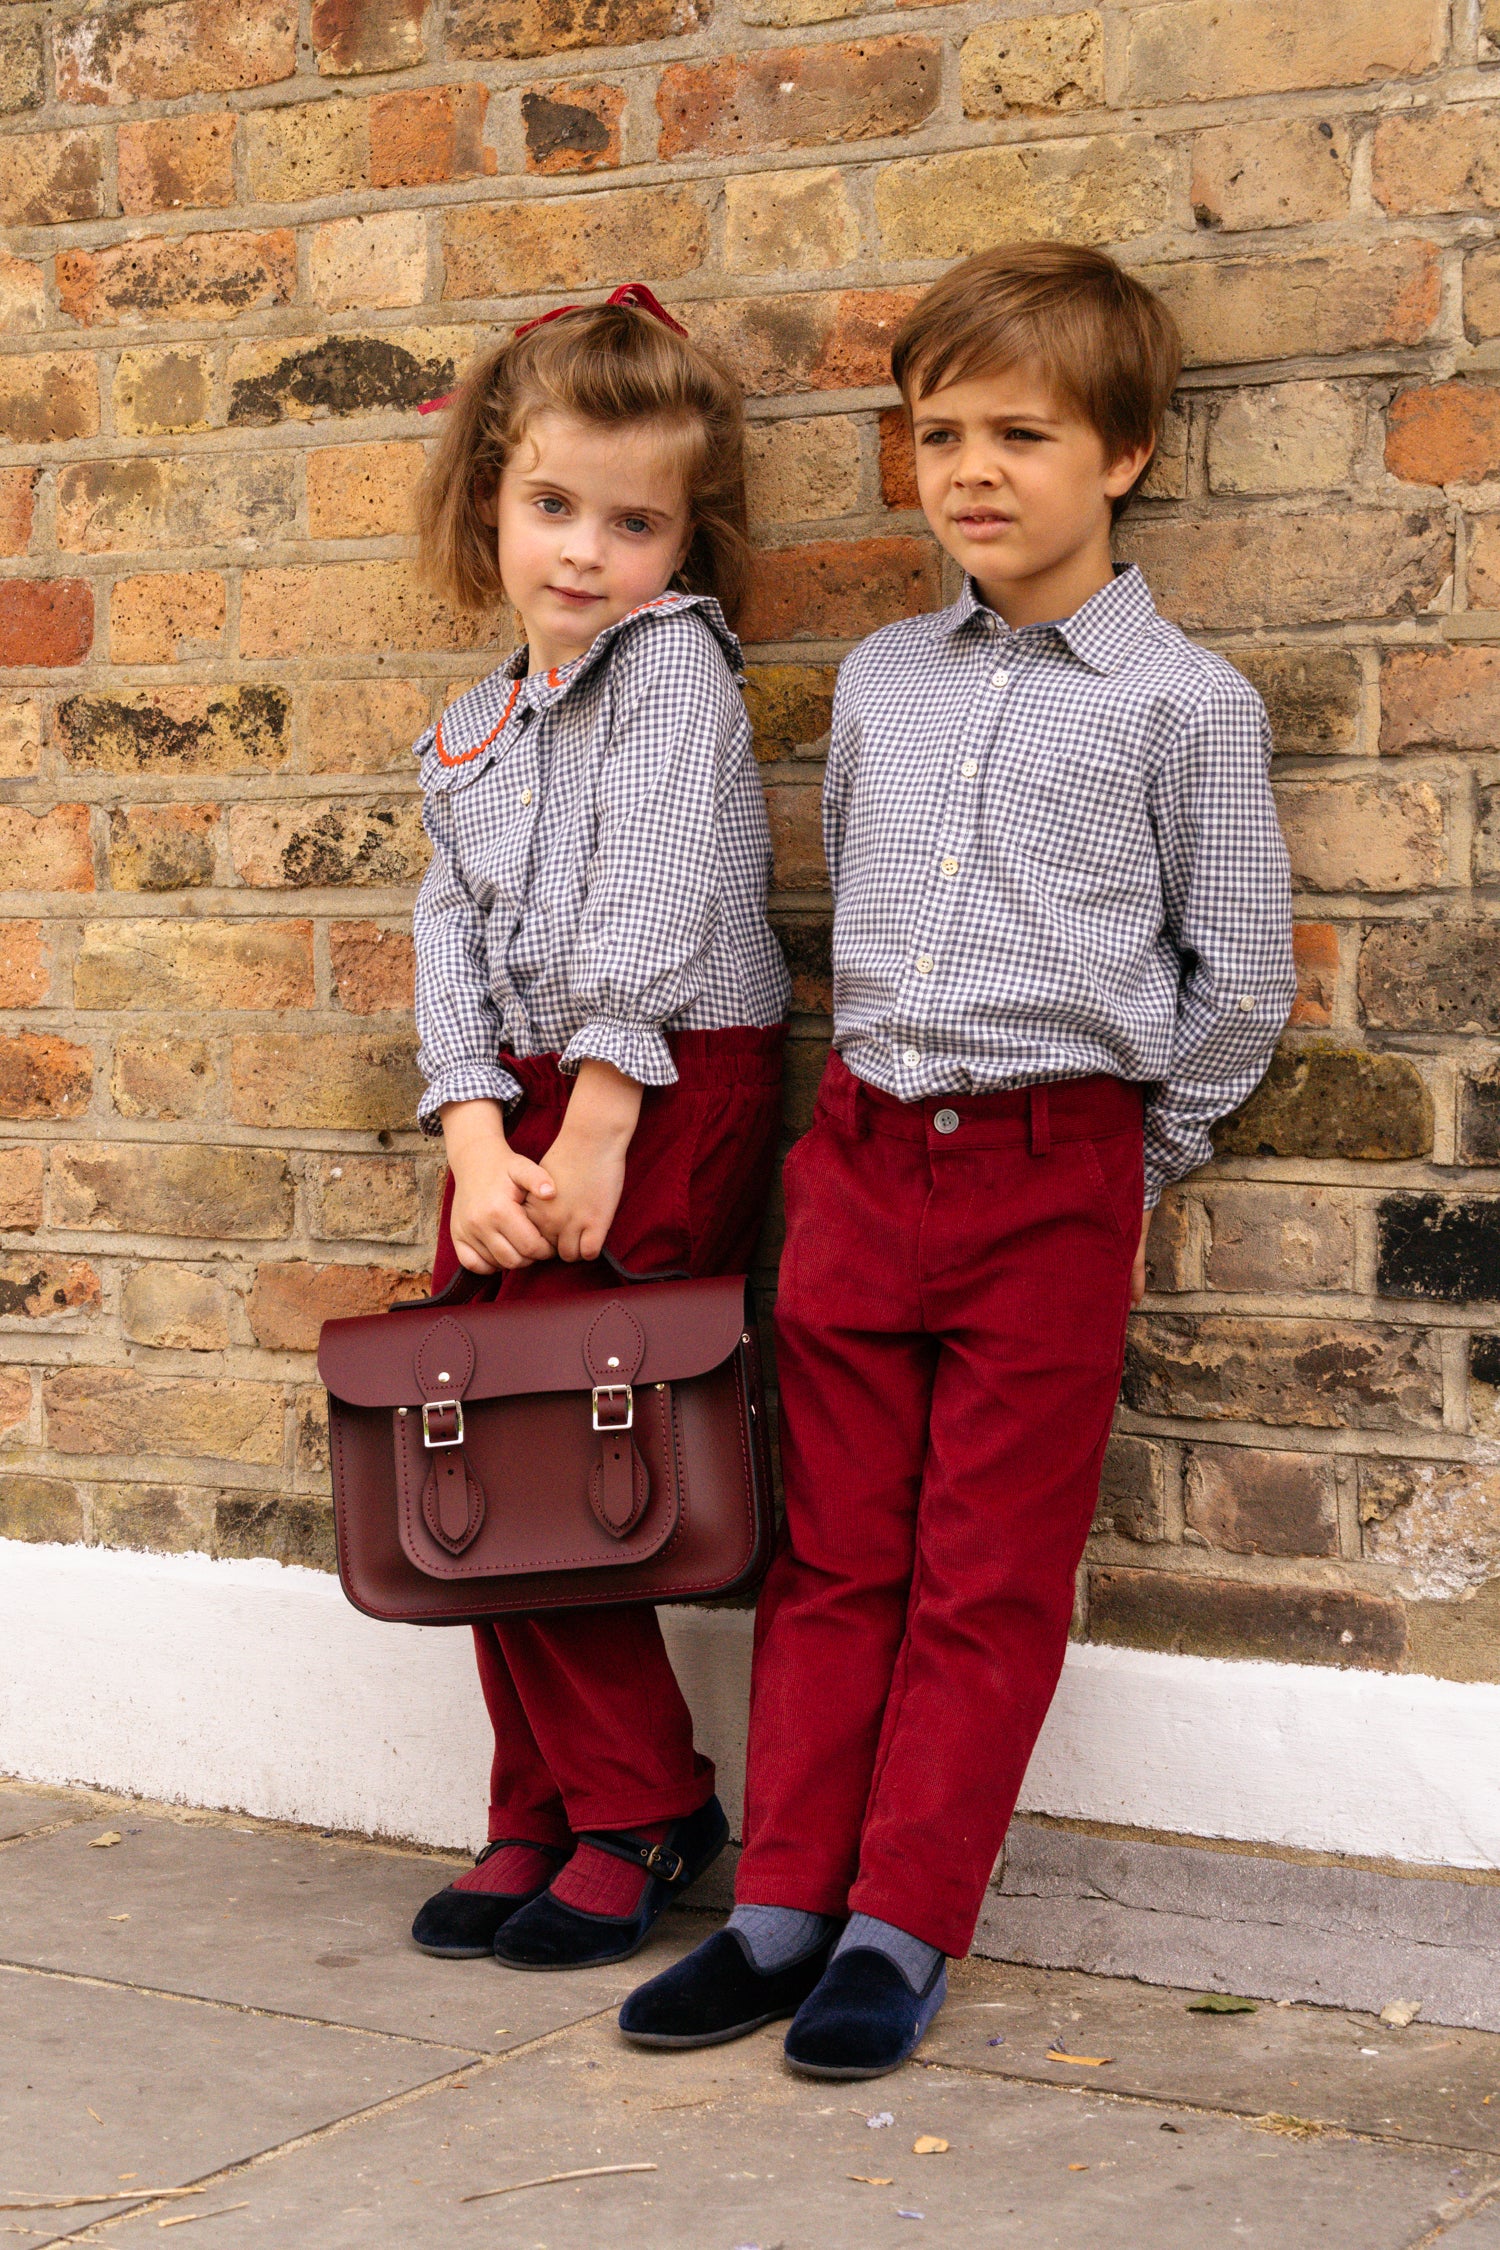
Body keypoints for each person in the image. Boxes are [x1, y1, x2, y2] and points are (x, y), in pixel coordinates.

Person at [621, 242, 1295, 2075]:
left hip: (1049, 1174)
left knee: (985, 1571)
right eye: (940, 435)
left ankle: (900, 1922)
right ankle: (781, 1904)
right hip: (861, 1162)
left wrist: (1124, 1158)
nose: (974, 470)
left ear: (1125, 453)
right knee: (833, 1554)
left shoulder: (1183, 703)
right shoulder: (887, 680)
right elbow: (850, 891)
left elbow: (1240, 977)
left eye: (1024, 432)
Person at [405, 286, 790, 1973]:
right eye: (553, 505)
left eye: (634, 523)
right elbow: (445, 932)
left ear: (685, 539)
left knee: (555, 1439)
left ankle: (643, 1803)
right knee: (462, 1427)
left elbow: (660, 884)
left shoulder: (674, 668)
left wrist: (605, 1118)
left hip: (664, 1080)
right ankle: (540, 1800)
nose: (585, 552)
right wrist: (471, 1129)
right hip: (522, 1095)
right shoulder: (472, 730)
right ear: (491, 497)